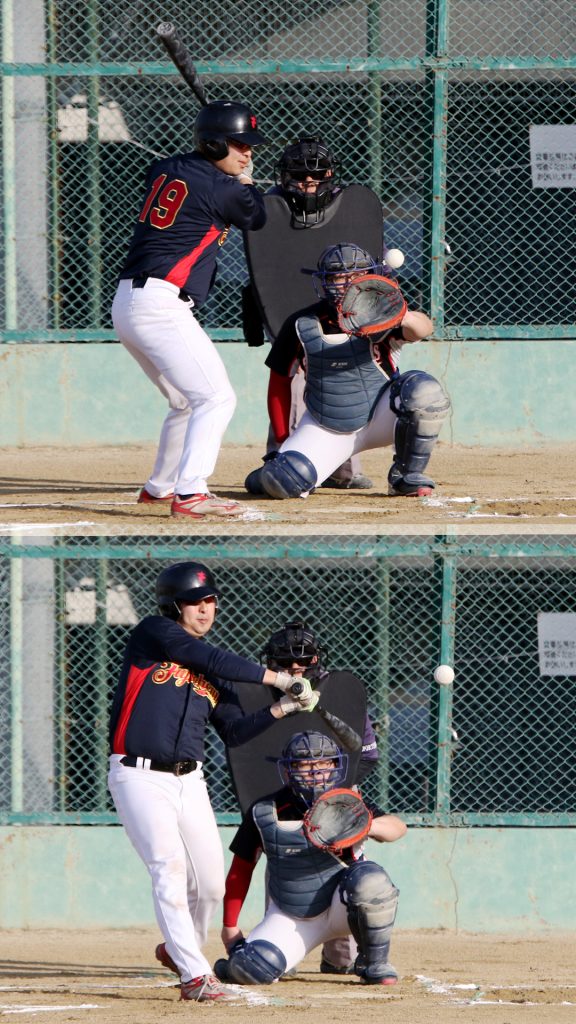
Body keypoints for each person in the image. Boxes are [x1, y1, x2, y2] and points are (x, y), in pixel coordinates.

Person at [107, 561, 319, 1003]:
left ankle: (178, 949)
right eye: (194, 603)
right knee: (169, 868)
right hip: (138, 776)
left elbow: (235, 732)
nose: (205, 610)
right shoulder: (154, 634)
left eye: (210, 602)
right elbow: (210, 657)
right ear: (173, 606)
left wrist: (283, 707)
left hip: (190, 780)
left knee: (209, 885)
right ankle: (195, 976)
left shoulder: (215, 673)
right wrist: (281, 679)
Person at [111, 100, 268, 520]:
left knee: (184, 400)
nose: (247, 153)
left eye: (248, 146)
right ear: (213, 144)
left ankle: (160, 488)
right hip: (159, 305)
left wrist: (229, 172)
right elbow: (257, 216)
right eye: (238, 145)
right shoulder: (224, 188)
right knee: (216, 398)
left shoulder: (166, 167)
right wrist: (245, 184)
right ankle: (192, 492)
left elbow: (183, 174)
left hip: (128, 302)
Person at [245, 242, 451, 500]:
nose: (345, 283)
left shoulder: (383, 314)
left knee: (424, 392)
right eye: (337, 277)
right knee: (282, 482)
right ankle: (265, 475)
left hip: (382, 416)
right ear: (325, 282)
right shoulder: (303, 323)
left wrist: (403, 315)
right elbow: (279, 382)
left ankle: (406, 476)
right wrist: (281, 440)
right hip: (327, 425)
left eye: (355, 276)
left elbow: (424, 329)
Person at [243, 136, 387, 489]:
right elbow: (267, 267)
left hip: (342, 315)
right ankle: (281, 457)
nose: (309, 183)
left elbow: (370, 261)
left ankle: (342, 467)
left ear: (330, 175)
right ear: (284, 176)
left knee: (345, 378)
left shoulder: (352, 210)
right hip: (292, 313)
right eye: (300, 176)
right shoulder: (270, 209)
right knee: (293, 380)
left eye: (317, 176)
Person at [213, 730, 406, 987]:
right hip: (293, 913)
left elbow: (397, 828)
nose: (315, 771)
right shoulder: (265, 810)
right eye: (305, 764)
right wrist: (229, 926)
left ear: (335, 766)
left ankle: (374, 962)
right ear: (288, 770)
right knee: (251, 970)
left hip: (342, 907)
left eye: (323, 763)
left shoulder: (347, 802)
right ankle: (235, 964)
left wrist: (366, 825)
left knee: (371, 880)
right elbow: (241, 870)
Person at [261, 621, 379, 976]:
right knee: (283, 866)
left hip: (334, 800)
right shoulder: (261, 696)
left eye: (303, 660)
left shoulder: (339, 694)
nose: (296, 668)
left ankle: (341, 951)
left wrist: (332, 794)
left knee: (343, 960)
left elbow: (367, 756)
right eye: (286, 662)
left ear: (317, 660)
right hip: (285, 800)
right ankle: (282, 945)